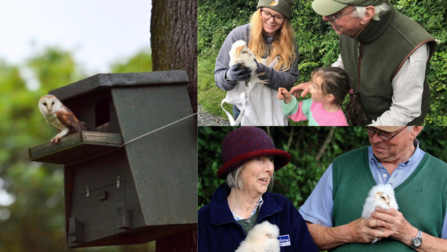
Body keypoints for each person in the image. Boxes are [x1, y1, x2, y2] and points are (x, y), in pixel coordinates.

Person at [299, 126, 447, 251]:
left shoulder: (442, 176)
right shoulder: (342, 166)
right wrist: (349, 232)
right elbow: (303, 233)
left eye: (386, 133)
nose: (375, 139)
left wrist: (410, 235)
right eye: (371, 129)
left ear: (415, 128)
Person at [290, 0, 437, 126]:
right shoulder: (351, 26)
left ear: (366, 14)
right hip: (360, 114)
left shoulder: (409, 47)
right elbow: (345, 62)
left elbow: (405, 111)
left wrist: (371, 133)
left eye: (334, 15)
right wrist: (319, 83)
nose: (325, 18)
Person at [198, 127, 319, 252]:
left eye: (271, 160)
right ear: (237, 167)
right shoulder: (204, 220)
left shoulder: (284, 209)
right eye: (259, 159)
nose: (269, 168)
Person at [215, 0, 299, 126]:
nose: (271, 20)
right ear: (259, 12)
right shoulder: (239, 35)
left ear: (285, 19)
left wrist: (261, 70)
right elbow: (219, 77)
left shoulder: (289, 42)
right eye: (267, 13)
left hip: (275, 108)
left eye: (278, 16)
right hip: (244, 109)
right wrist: (230, 76)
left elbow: (290, 79)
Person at [277, 67, 366, 126]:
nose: (309, 87)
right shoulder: (315, 103)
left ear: (329, 97)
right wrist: (288, 98)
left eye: (314, 86)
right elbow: (296, 112)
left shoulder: (339, 123)